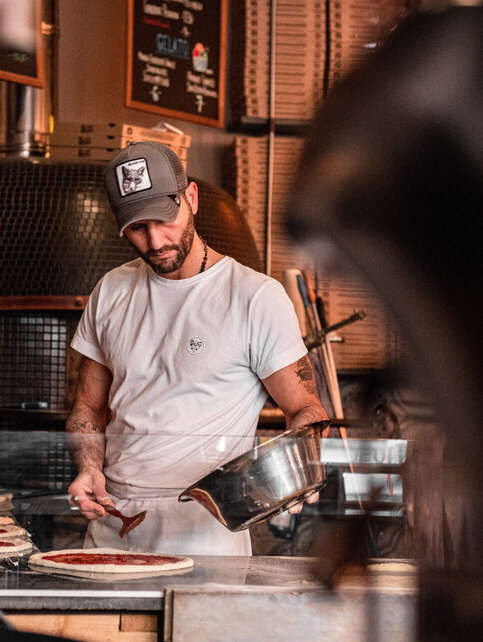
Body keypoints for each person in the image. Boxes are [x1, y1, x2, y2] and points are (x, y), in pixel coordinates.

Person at [65, 142, 327, 554]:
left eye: (164, 220)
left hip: (207, 531)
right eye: (137, 228)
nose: (154, 241)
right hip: (114, 527)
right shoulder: (111, 291)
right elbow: (87, 408)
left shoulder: (255, 297)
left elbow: (306, 409)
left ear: (191, 198)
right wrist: (88, 469)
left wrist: (298, 470)